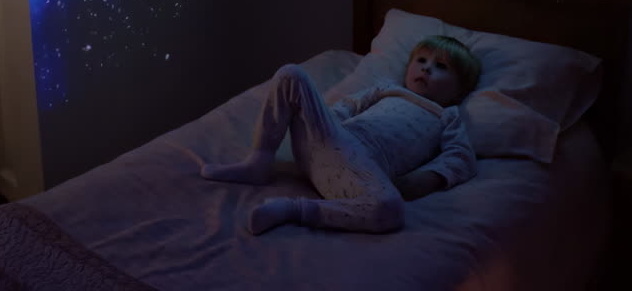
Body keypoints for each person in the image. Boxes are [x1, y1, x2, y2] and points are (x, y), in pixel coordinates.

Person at [200, 35, 481, 234]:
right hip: (328, 141)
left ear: (459, 91)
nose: (427, 68)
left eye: (441, 66)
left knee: (391, 210)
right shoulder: (387, 88)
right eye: (421, 59)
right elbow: (347, 106)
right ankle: (259, 162)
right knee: (290, 74)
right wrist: (322, 125)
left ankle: (293, 210)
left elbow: (462, 158)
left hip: (358, 171)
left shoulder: (447, 116)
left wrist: (427, 179)